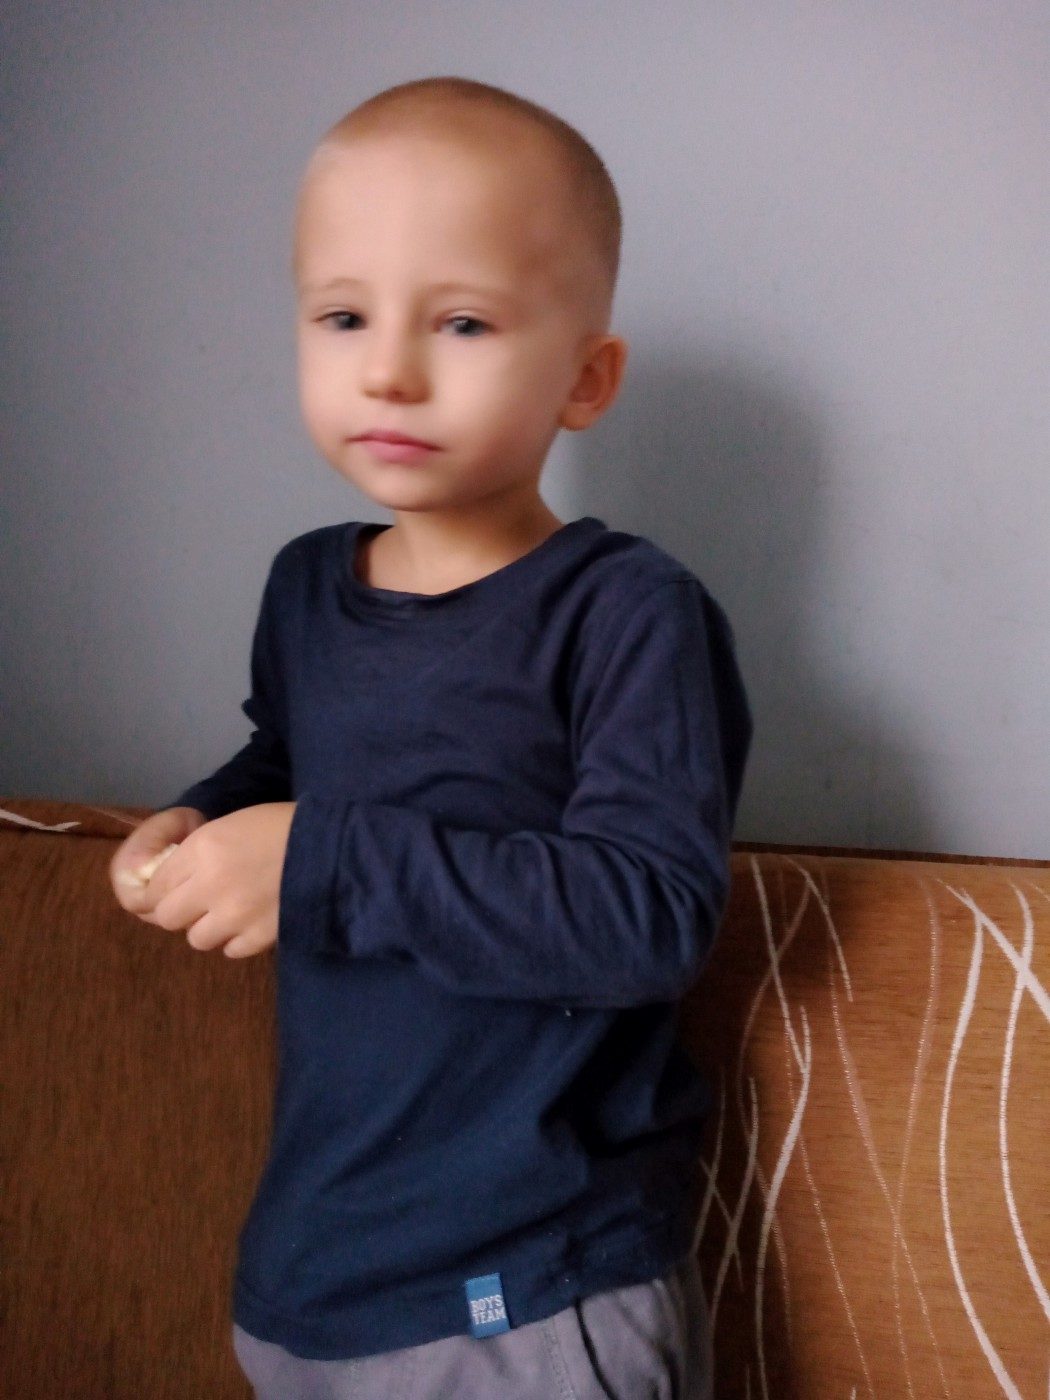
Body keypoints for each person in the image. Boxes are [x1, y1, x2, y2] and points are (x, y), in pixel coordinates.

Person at [109, 74, 753, 1400]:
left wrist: (315, 860)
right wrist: (202, 823)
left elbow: (645, 918)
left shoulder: (629, 611)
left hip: (528, 1284)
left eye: (461, 322)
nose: (388, 368)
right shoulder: (306, 585)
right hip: (312, 1272)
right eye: (343, 315)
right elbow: (290, 770)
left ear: (585, 379)